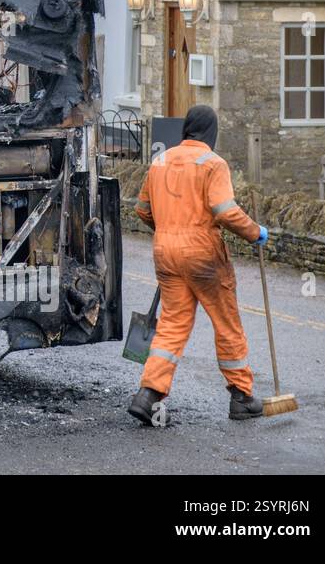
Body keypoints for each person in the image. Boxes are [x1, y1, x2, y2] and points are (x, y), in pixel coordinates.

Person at [128, 105, 269, 425]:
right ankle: (242, 397)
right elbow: (224, 211)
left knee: (172, 325)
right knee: (226, 322)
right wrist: (254, 232)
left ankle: (148, 395)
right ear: (211, 133)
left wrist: (168, 230)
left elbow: (141, 210)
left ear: (186, 129)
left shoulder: (160, 161)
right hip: (203, 254)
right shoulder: (213, 163)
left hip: (165, 251)